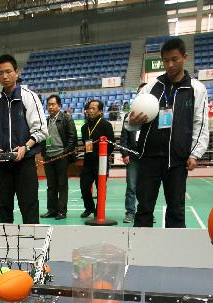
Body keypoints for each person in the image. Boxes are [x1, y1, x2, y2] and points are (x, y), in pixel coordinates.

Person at [126, 37, 209, 228]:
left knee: (176, 211)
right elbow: (132, 121)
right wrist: (131, 122)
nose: (170, 65)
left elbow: (201, 124)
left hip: (177, 161)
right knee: (144, 209)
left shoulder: (197, 89)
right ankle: (140, 253)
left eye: (175, 59)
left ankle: (176, 256)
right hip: (149, 158)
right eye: (166, 60)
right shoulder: (151, 87)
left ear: (184, 57)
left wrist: (195, 154)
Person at [0, 54, 48, 224]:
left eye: (8, 72)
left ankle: (35, 249)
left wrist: (25, 147)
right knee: (4, 209)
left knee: (29, 207)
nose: (4, 76)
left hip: (25, 163)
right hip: (3, 164)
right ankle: (7, 248)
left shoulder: (29, 97)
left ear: (16, 73)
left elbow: (41, 129)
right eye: (0, 73)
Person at [40, 94, 77, 220]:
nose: (50, 107)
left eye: (53, 104)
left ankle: (61, 211)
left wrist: (64, 153)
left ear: (59, 106)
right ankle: (51, 210)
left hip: (61, 156)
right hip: (49, 157)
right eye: (49, 105)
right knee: (51, 186)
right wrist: (44, 154)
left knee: (62, 185)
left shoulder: (66, 118)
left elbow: (72, 138)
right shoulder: (46, 121)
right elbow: (42, 140)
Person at [80, 99, 114, 219]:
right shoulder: (84, 128)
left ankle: (99, 211)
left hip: (101, 163)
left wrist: (103, 157)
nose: (90, 110)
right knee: (84, 187)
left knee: (100, 189)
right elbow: (85, 143)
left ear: (100, 111)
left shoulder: (106, 125)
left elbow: (111, 144)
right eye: (89, 108)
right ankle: (89, 208)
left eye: (93, 108)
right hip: (88, 162)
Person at [120, 83, 146, 223]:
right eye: (139, 93)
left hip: (148, 158)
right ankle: (130, 212)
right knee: (131, 187)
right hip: (133, 158)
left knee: (147, 187)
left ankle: (146, 212)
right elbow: (123, 139)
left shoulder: (154, 116)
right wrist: (125, 154)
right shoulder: (128, 117)